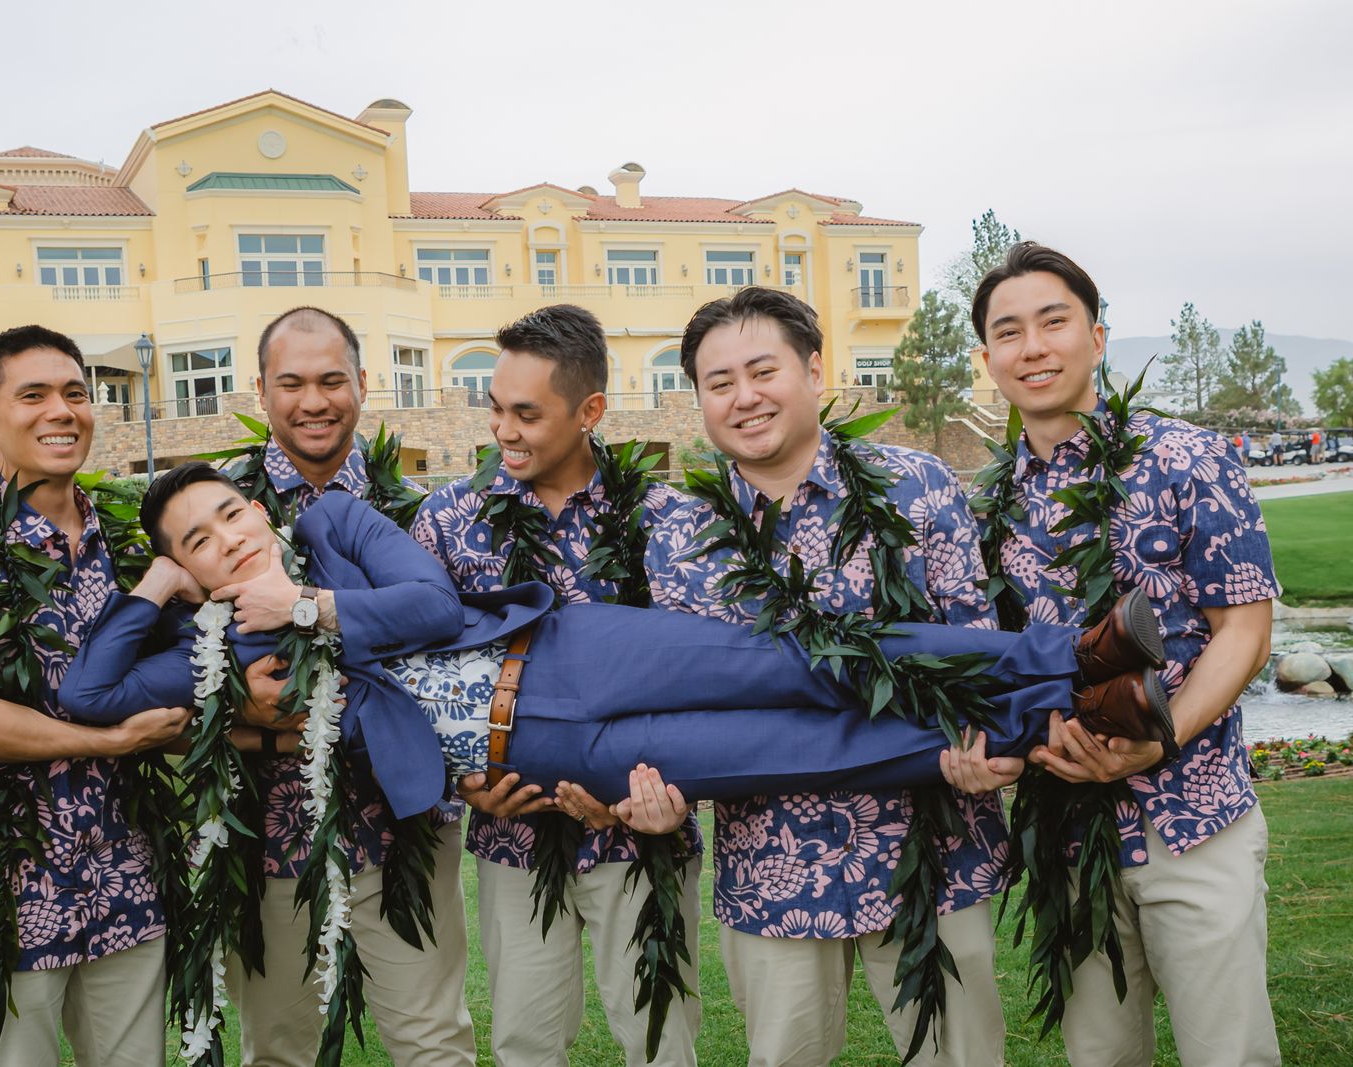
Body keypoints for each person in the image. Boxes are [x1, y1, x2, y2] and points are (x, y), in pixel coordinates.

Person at [58, 464, 1171, 807]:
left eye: (230, 514)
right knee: (789, 752)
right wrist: (156, 584)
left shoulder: (333, 525)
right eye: (199, 540)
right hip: (542, 752)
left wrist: (307, 608)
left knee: (801, 660)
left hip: (570, 652)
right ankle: (1058, 721)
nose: (229, 538)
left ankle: (1064, 657)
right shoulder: (212, 648)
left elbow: (432, 609)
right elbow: (90, 698)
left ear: (258, 509)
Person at [641, 286, 1014, 1066]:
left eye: (762, 371)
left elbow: (976, 646)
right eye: (719, 382)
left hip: (930, 846)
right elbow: (680, 700)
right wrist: (660, 790)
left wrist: (987, 745)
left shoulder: (916, 487)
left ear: (814, 370)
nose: (744, 397)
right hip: (771, 859)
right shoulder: (680, 534)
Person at [972, 241, 1280, 1066]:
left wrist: (1161, 735)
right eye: (1009, 331)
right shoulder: (990, 503)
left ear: (1097, 337)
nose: (1033, 347)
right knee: (1101, 1055)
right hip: (1067, 835)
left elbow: (1245, 631)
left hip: (1193, 818)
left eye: (1054, 322)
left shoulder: (1186, 457)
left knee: (1229, 1050)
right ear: (988, 359)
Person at [0, 325, 189, 1067]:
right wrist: (111, 741)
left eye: (76, 393)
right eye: (34, 395)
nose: (62, 411)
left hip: (121, 869)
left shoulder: (129, 547)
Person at [410, 304, 707, 1067]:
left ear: (590, 410)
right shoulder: (448, 520)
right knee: (525, 1041)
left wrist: (651, 795)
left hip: (642, 834)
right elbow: (416, 673)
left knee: (660, 1042)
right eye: (495, 408)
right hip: (511, 839)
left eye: (526, 413)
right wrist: (465, 780)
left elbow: (698, 677)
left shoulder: (664, 519)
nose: (502, 430)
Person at [223, 306, 476, 1067]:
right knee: (277, 1049)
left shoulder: (422, 512)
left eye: (332, 380)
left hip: (406, 823)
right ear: (260, 389)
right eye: (291, 383)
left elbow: (452, 648)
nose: (314, 401)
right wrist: (239, 705)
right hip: (268, 831)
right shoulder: (214, 510)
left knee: (433, 1040)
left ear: (363, 382)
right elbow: (172, 668)